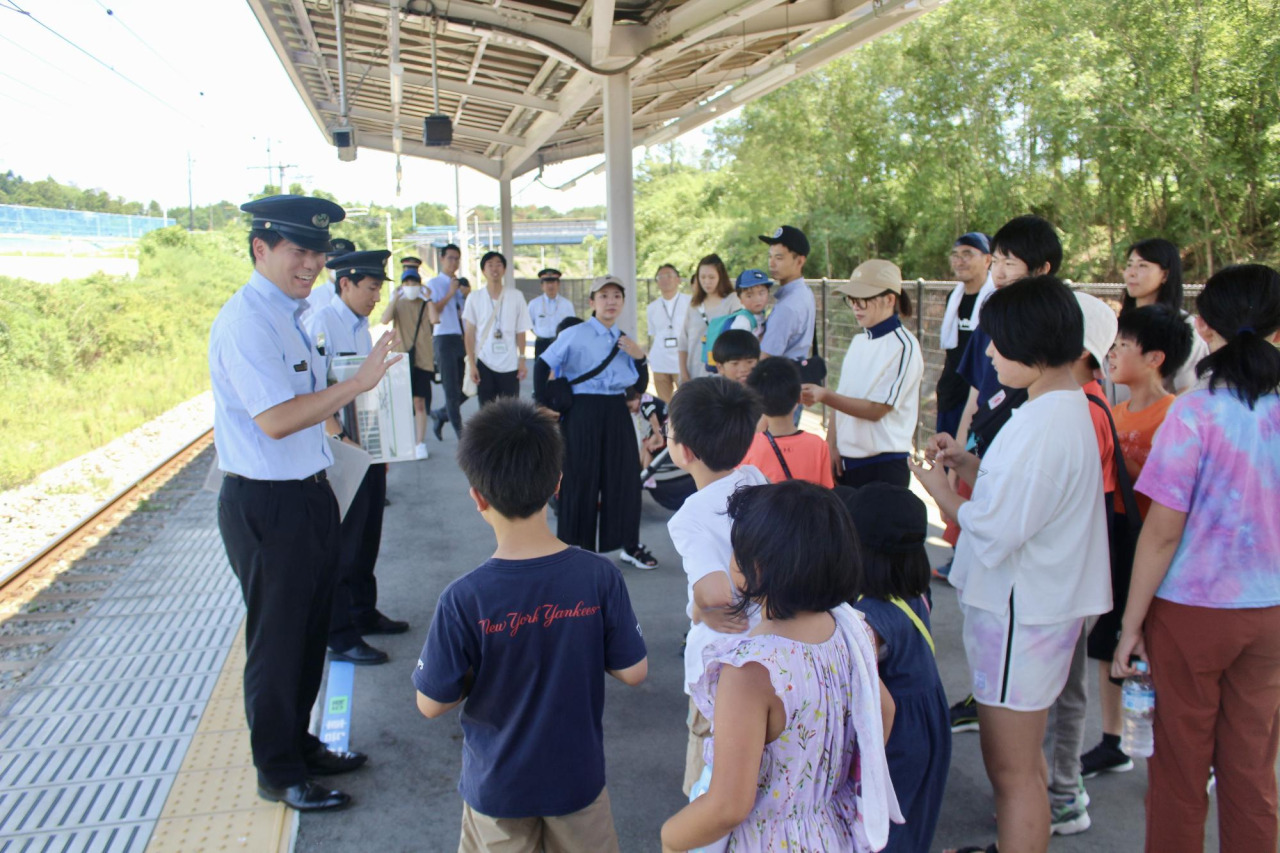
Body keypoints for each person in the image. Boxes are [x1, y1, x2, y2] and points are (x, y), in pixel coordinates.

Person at [211, 195, 400, 811]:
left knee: (309, 630)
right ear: (261, 249)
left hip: (308, 493)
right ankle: (279, 769)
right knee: (278, 641)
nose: (311, 263)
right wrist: (357, 384)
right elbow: (274, 420)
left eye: (318, 252)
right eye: (299, 250)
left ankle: (301, 741)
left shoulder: (290, 314)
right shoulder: (247, 322)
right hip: (267, 505)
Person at [909, 276, 1111, 853]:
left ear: (1034, 343)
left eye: (998, 342)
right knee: (1021, 764)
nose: (990, 353)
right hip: (1036, 609)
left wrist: (938, 490)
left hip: (1021, 615)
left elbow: (996, 528)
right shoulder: (1060, 406)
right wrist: (970, 463)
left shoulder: (1044, 425)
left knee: (1012, 769)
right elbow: (1023, 500)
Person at [414, 398, 648, 853]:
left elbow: (430, 703)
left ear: (477, 497)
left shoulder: (464, 598)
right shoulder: (598, 575)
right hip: (577, 784)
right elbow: (633, 671)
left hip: (498, 790)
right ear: (557, 484)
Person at [1112, 264, 1280, 853]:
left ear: (1202, 326)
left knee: (1180, 772)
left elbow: (1161, 534)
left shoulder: (1194, 413)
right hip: (1270, 615)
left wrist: (1130, 626)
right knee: (1254, 771)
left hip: (1190, 614)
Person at [660, 480, 901, 853]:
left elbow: (728, 805)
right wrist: (833, 784)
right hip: (832, 830)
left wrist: (670, 838)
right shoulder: (852, 629)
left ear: (756, 568)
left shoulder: (752, 671)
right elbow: (883, 710)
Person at [1080, 305, 1192, 780]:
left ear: (1154, 358)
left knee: (1154, 648)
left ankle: (1173, 750)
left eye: (1122, 346)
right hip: (1116, 543)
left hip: (1155, 548)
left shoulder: (1176, 415)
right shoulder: (1114, 411)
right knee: (1106, 643)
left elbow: (1171, 497)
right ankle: (1112, 740)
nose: (1112, 353)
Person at [665, 376, 768, 795]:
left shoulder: (689, 516)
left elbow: (713, 594)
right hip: (771, 651)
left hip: (720, 667)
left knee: (709, 776)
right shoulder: (756, 477)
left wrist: (696, 610)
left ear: (684, 451)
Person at [307, 249, 410, 667]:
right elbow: (316, 391)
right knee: (343, 543)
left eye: (378, 289)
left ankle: (364, 611)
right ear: (345, 283)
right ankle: (342, 634)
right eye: (370, 288)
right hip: (338, 450)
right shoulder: (322, 324)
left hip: (365, 446)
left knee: (367, 535)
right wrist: (342, 437)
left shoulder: (360, 327)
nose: (375, 297)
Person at [1041, 291, 1119, 836]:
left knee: (1063, 692)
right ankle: (1058, 786)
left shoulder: (1082, 409)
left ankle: (1063, 795)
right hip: (1068, 577)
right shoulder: (1077, 402)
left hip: (1067, 582)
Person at [842, 483, 951, 853]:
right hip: (928, 718)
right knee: (914, 817)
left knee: (883, 829)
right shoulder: (914, 593)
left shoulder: (870, 620)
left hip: (898, 731)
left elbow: (864, 693)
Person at [539, 275, 657, 570]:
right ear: (592, 302)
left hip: (616, 410)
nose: (611, 301)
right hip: (582, 410)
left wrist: (641, 357)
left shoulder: (624, 339)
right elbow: (542, 363)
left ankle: (629, 544)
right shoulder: (575, 333)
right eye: (604, 296)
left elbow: (639, 384)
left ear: (623, 302)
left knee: (625, 479)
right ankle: (571, 549)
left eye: (616, 296)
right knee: (579, 479)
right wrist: (541, 404)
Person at [802, 259, 922, 489]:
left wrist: (825, 396)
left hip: (883, 466)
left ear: (889, 299)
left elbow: (876, 409)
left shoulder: (904, 346)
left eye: (863, 300)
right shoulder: (859, 340)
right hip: (847, 463)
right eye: (852, 300)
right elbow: (844, 396)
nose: (856, 307)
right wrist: (832, 445)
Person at [1119, 238, 1210, 394]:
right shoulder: (1119, 324)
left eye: (1142, 265)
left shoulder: (1184, 326)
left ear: (1165, 275)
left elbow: (1187, 390)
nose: (1131, 273)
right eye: (1129, 265)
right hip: (1116, 416)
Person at [741, 358, 834, 487]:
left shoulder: (748, 448)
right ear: (799, 398)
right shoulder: (818, 445)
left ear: (756, 404)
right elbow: (827, 492)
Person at [937, 233, 994, 438]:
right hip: (951, 394)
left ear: (988, 259)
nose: (959, 261)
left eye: (967, 254)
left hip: (980, 394)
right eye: (955, 255)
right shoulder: (954, 297)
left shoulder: (995, 301)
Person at [382, 266, 436, 460]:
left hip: (422, 359)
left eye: (414, 282)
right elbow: (384, 319)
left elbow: (435, 319)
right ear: (402, 285)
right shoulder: (398, 304)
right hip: (400, 360)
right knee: (401, 403)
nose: (411, 286)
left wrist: (429, 299)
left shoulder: (425, 303)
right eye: (407, 283)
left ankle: (420, 442)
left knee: (419, 402)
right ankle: (403, 442)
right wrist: (395, 298)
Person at [463, 251, 531, 405]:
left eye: (499, 264)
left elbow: (521, 330)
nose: (495, 268)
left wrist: (522, 359)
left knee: (511, 411)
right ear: (483, 271)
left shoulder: (516, 296)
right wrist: (472, 364)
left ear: (505, 270)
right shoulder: (474, 297)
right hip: (484, 362)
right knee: (486, 412)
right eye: (490, 265)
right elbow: (469, 333)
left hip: (510, 363)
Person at [422, 244, 468, 440]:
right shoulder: (434, 284)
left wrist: (465, 294)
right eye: (450, 258)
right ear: (441, 259)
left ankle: (442, 414)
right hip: (444, 338)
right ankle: (461, 435)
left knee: (467, 387)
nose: (454, 262)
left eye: (457, 258)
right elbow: (434, 312)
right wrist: (450, 292)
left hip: (462, 339)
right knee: (451, 390)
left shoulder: (460, 284)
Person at [758, 226, 817, 375]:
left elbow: (764, 359)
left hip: (777, 386)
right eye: (770, 256)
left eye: (779, 258)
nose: (771, 263)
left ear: (800, 261)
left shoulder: (788, 306)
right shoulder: (804, 293)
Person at [677, 254, 741, 383]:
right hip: (694, 375)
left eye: (711, 277)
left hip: (722, 377)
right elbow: (683, 342)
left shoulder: (732, 301)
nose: (707, 281)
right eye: (702, 277)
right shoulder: (694, 304)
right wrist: (684, 374)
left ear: (720, 277)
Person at [703, 269, 773, 365]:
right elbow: (739, 349)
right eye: (749, 295)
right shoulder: (743, 320)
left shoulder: (760, 315)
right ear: (740, 299)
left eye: (761, 293)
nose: (757, 298)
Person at [529, 267, 577, 405]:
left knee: (560, 376)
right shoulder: (534, 304)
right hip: (542, 343)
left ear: (558, 284)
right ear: (542, 285)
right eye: (546, 282)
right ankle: (541, 403)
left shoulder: (566, 304)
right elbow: (530, 324)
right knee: (541, 375)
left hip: (560, 344)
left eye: (554, 281)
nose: (550, 285)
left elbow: (571, 326)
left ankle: (560, 403)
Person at [646, 263, 691, 401]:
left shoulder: (690, 302)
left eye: (669, 275)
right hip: (660, 362)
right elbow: (653, 333)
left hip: (683, 362)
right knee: (665, 405)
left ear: (678, 279)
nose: (665, 279)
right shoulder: (652, 307)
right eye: (660, 277)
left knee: (686, 401)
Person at [625, 387, 667, 470]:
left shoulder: (645, 405)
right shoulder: (643, 399)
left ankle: (647, 476)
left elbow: (655, 424)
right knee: (645, 445)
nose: (631, 411)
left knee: (649, 447)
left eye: (630, 407)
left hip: (669, 424)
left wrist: (660, 441)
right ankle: (638, 470)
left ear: (637, 397)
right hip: (662, 424)